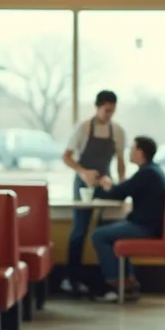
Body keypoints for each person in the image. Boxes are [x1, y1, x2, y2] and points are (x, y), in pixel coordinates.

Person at [61, 90, 128, 295]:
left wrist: (122, 185)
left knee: (104, 231)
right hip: (83, 184)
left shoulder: (117, 131)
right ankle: (72, 278)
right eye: (106, 110)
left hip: (105, 184)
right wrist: (83, 172)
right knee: (79, 231)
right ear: (97, 107)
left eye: (112, 111)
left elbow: (120, 161)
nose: (109, 114)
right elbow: (66, 157)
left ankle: (106, 281)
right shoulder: (82, 128)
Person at [90, 136, 165, 303]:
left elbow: (118, 193)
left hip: (145, 228)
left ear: (140, 152)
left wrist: (99, 188)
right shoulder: (153, 171)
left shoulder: (146, 173)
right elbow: (125, 189)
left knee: (99, 235)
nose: (130, 153)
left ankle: (117, 284)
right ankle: (127, 282)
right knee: (107, 230)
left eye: (132, 149)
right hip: (150, 226)